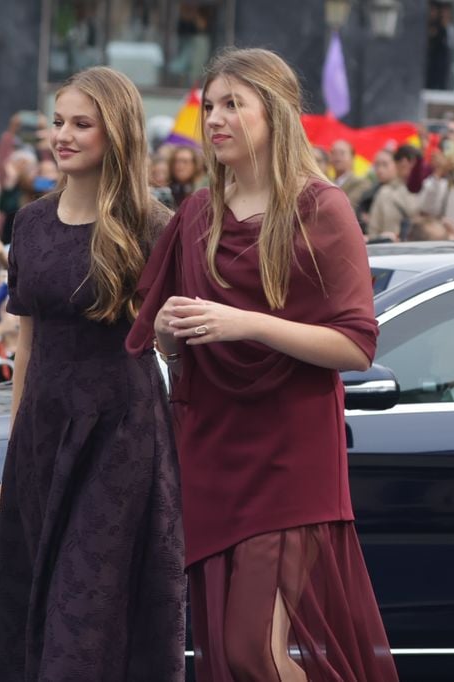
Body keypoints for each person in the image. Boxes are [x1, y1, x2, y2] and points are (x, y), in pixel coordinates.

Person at [128, 47, 398, 681]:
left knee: (253, 651)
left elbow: (356, 345)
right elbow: (175, 354)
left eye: (233, 105)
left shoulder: (321, 207)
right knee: (228, 655)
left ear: (273, 114)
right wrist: (169, 333)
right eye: (210, 106)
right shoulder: (197, 213)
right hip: (213, 447)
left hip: (290, 453)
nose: (215, 119)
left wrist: (246, 323)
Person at [0, 65, 185, 681]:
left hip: (121, 434)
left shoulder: (153, 225)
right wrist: (15, 452)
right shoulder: (30, 222)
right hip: (44, 430)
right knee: (37, 595)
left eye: (81, 123)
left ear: (116, 132)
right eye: (58, 122)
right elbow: (26, 346)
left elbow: (172, 344)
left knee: (87, 608)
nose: (63, 135)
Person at [329, 139, 372, 211]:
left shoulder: (362, 183)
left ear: (352, 158)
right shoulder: (326, 181)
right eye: (333, 153)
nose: (337, 156)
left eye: (342, 153)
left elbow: (348, 206)